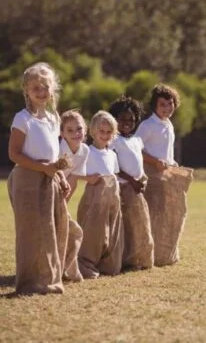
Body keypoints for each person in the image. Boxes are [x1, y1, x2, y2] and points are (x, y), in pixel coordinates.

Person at [7, 62, 70, 295]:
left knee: (51, 229)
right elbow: (14, 154)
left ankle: (49, 280)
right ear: (26, 90)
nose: (41, 92)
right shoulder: (22, 119)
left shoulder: (53, 118)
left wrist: (60, 177)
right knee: (31, 231)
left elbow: (53, 155)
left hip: (49, 178)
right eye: (36, 88)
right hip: (27, 180)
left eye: (45, 87)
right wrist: (43, 168)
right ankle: (30, 283)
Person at [135, 84, 193, 267]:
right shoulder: (147, 125)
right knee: (152, 214)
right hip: (151, 175)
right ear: (155, 106)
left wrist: (172, 162)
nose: (167, 109)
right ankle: (147, 255)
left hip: (166, 174)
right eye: (162, 105)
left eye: (170, 104)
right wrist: (154, 162)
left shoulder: (168, 125)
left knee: (170, 213)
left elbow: (166, 151)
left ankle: (164, 254)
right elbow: (135, 150)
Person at [109, 96, 154, 271]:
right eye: (122, 119)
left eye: (131, 120)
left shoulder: (136, 140)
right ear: (114, 119)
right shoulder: (114, 140)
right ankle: (124, 259)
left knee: (139, 224)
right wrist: (131, 180)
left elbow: (138, 163)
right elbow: (114, 167)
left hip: (137, 188)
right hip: (122, 187)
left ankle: (139, 258)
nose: (127, 123)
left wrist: (141, 179)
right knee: (124, 225)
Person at [77, 110, 124, 279]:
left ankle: (108, 265)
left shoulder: (112, 154)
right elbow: (75, 172)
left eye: (108, 132)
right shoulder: (87, 152)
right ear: (93, 131)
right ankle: (86, 264)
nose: (104, 135)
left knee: (112, 230)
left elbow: (115, 175)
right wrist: (87, 178)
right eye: (101, 131)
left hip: (112, 197)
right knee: (93, 231)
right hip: (94, 197)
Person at [59, 109, 89, 282]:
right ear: (62, 133)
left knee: (71, 230)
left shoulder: (85, 151)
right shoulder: (57, 148)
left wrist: (63, 204)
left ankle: (66, 269)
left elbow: (75, 179)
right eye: (69, 130)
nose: (75, 133)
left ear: (84, 130)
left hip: (63, 194)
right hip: (47, 190)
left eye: (78, 129)